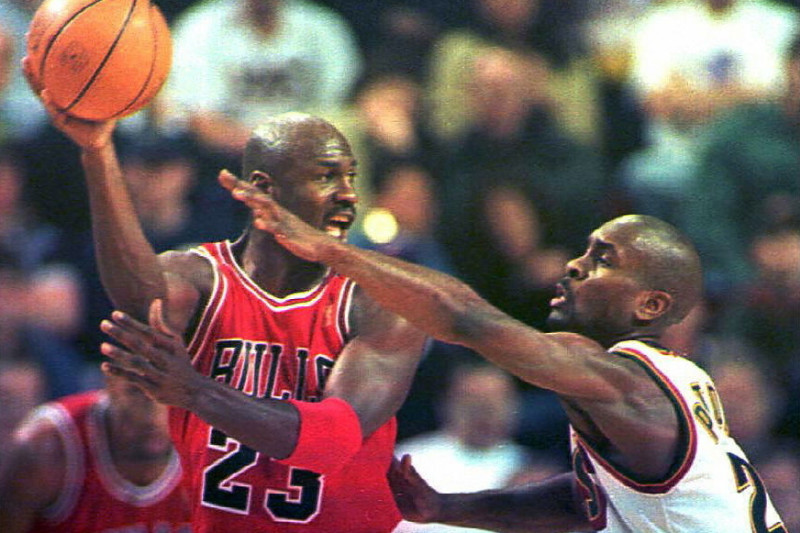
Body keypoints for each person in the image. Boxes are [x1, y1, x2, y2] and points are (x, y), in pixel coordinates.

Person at [202, 182, 787, 532]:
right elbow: (582, 504)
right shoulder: (673, 382)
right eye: (583, 251)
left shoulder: (625, 380)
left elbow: (464, 318)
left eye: (603, 259)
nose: (574, 266)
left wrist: (334, 252)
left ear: (650, 304)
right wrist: (444, 506)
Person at [26, 62, 428, 531]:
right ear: (263, 189)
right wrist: (97, 152)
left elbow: (332, 440)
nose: (347, 195)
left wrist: (196, 391)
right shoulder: (200, 277)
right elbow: (140, 299)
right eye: (326, 178)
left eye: (351, 178)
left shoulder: (385, 299)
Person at [0, 373, 191, 533]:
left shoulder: (209, 441)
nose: (154, 415)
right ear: (111, 384)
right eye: (138, 392)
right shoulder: (48, 447)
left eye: (171, 394)